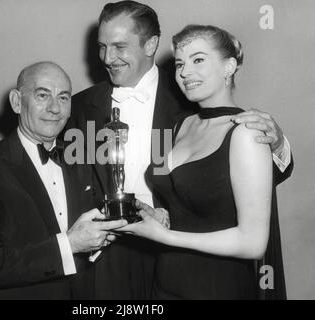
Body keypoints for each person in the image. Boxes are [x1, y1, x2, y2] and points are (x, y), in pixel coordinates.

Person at [67, 1, 293, 299]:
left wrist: (277, 143)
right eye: (102, 46)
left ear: (150, 45)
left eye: (120, 46)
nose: (108, 58)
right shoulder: (80, 106)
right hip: (110, 260)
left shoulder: (189, 102)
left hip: (189, 261)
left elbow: (239, 184)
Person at [118, 24, 287, 299]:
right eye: (179, 63)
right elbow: (175, 199)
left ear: (229, 67)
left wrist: (163, 237)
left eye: (198, 60)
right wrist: (155, 215)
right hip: (163, 287)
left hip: (217, 289)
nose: (184, 72)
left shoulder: (246, 131)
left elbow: (254, 243)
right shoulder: (174, 127)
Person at [0, 61, 127, 299]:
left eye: (64, 98)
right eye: (43, 95)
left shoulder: (82, 159)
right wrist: (69, 245)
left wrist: (145, 212)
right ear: (16, 102)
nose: (55, 108)